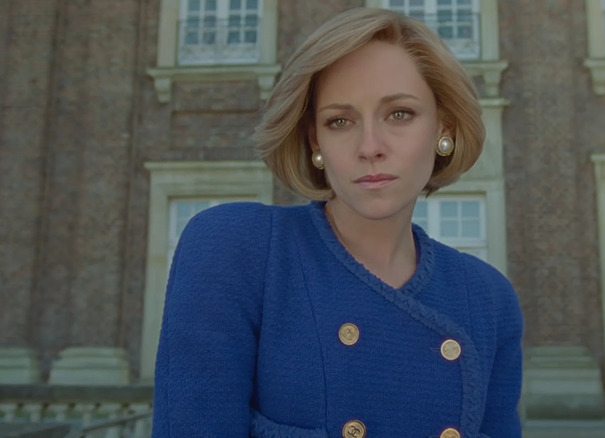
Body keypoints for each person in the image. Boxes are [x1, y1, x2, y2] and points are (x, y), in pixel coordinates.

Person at [152, 7, 523, 438]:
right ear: (316, 140)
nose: (370, 146)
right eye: (340, 121)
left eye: (399, 114)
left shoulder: (487, 299)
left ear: (445, 127)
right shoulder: (236, 250)